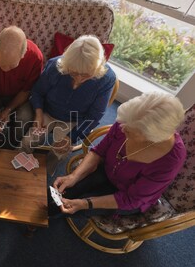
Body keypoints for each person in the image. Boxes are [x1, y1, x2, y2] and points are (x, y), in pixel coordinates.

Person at [49, 92, 186, 218]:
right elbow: (99, 151)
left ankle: (45, 217)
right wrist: (74, 176)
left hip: (127, 197)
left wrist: (85, 203)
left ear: (151, 137)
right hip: (107, 170)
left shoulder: (171, 159)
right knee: (68, 189)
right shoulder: (129, 121)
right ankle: (43, 212)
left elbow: (131, 199)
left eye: (130, 130)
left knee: (74, 205)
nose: (121, 128)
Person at [21, 35, 116, 175]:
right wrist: (39, 114)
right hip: (47, 111)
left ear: (96, 69)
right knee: (27, 142)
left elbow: (95, 116)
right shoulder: (55, 66)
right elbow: (37, 92)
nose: (78, 79)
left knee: (60, 152)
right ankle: (16, 173)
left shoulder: (107, 79)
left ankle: (44, 175)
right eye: (74, 73)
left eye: (86, 75)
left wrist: (71, 137)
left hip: (73, 120)